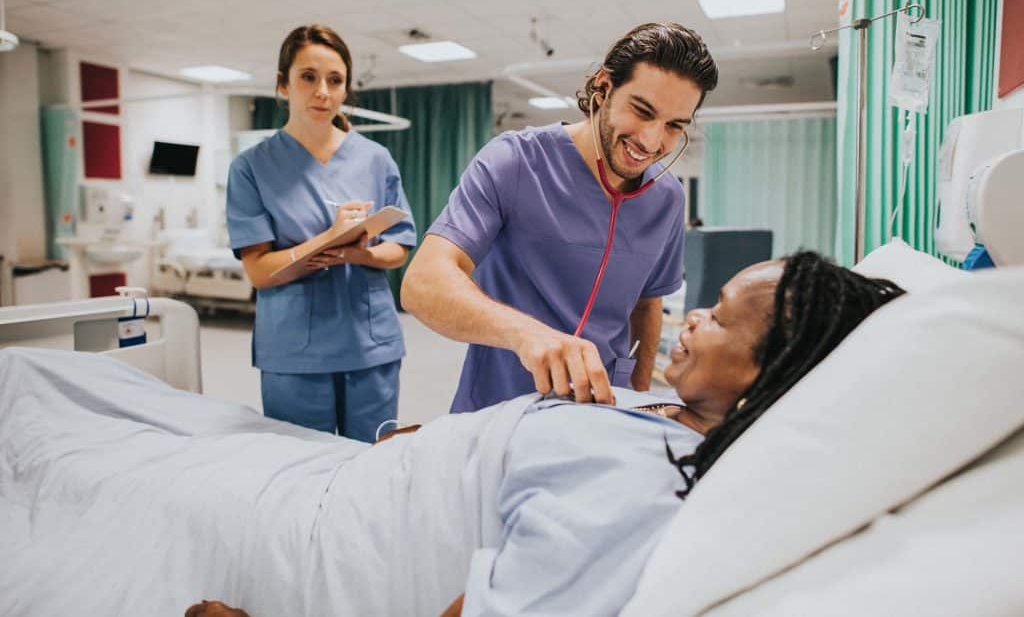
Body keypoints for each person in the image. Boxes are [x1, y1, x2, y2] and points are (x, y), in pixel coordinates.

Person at [183, 252, 905, 616]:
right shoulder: (660, 409)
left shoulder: (648, 491)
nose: (692, 318)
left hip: (323, 533)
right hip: (356, 475)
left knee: (151, 459)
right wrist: (437, 438)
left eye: (715, 316)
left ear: (768, 370)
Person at [401, 22, 719, 412]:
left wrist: (639, 401)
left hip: (601, 408)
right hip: (500, 403)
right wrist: (526, 334)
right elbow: (422, 284)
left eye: (674, 126)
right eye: (642, 111)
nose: (652, 141)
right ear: (603, 88)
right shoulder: (515, 162)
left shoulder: (666, 198)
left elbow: (647, 303)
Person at [226, 24, 417, 442]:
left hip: (370, 345)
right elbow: (258, 271)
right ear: (283, 85)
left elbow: (399, 247)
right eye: (308, 78)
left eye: (335, 80)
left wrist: (358, 253)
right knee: (300, 471)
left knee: (373, 463)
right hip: (294, 351)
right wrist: (326, 242)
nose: (323, 92)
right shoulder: (251, 168)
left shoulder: (375, 159)